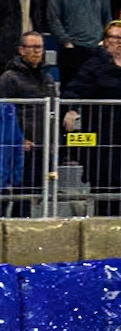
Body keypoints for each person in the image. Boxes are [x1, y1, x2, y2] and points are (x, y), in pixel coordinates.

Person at [61, 19, 121, 217]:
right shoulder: (94, 65)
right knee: (105, 190)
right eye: (115, 38)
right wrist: (73, 109)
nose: (119, 42)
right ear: (106, 40)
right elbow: (75, 89)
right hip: (104, 139)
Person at [0, 31, 56, 217]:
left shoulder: (47, 78)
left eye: (39, 47)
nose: (36, 51)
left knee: (30, 196)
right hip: (18, 148)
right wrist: (19, 139)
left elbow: (53, 110)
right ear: (21, 50)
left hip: (42, 145)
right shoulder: (9, 78)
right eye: (31, 47)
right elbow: (4, 113)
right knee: (10, 194)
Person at [48, 0, 110, 87]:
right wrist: (66, 42)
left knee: (98, 92)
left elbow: (107, 19)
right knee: (70, 93)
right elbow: (53, 19)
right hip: (71, 51)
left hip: (97, 50)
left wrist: (104, 42)